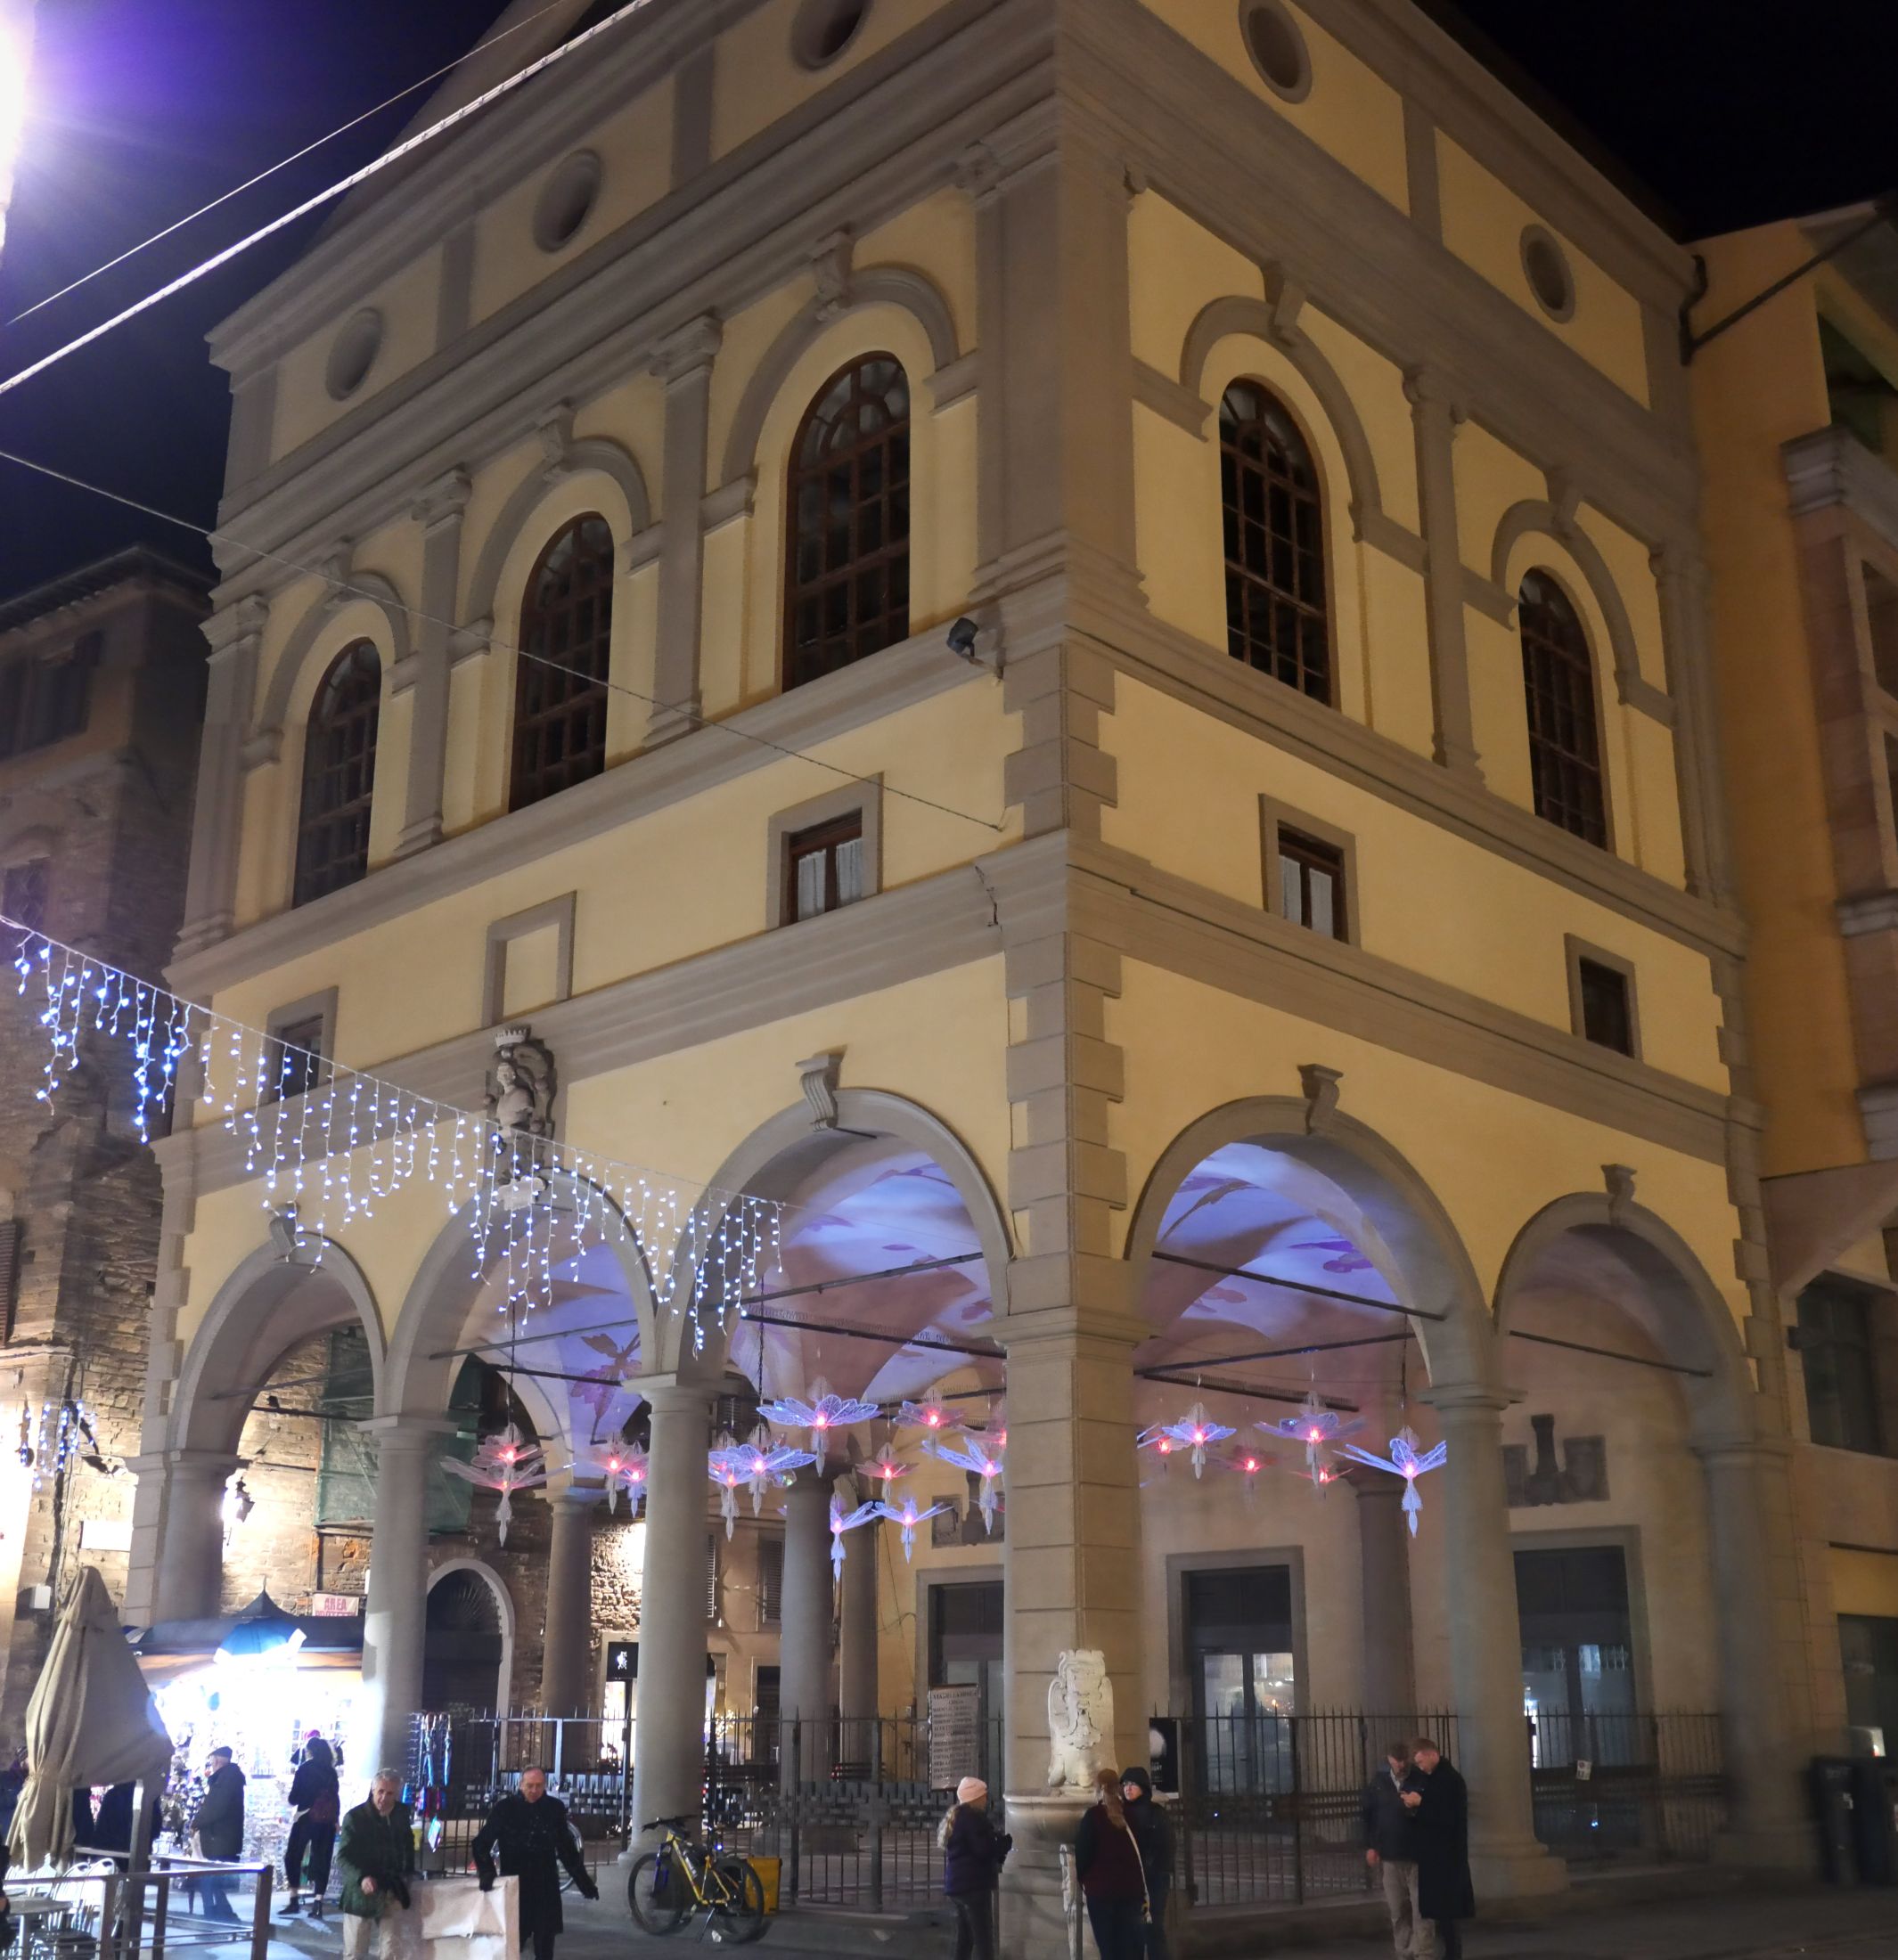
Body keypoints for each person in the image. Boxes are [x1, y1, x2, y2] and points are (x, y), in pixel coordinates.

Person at [471, 1767, 598, 1960]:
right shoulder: (506, 1809)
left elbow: (566, 1849)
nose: (534, 1790)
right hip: (516, 1882)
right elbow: (481, 1843)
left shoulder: (554, 1808)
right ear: (521, 1785)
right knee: (513, 1941)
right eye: (530, 1786)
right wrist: (487, 1873)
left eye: (539, 1786)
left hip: (545, 1883)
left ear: (544, 1786)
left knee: (545, 1943)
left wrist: (584, 1882)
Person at [1361, 1742, 1431, 1960]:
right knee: (1397, 1909)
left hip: (1417, 1854)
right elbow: (1369, 1815)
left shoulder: (1420, 1780)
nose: (1400, 1765)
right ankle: (1404, 1949)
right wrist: (1371, 1845)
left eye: (1403, 1760)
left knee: (1422, 1908)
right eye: (1396, 1760)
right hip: (1390, 1854)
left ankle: (1423, 1952)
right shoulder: (1379, 1783)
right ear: (1389, 1759)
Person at [337, 1771, 417, 1960]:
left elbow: (407, 1844)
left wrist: (407, 1872)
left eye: (390, 1793)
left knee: (391, 1950)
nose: (384, 1798)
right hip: (361, 1891)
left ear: (397, 1794)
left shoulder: (401, 1814)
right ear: (372, 1790)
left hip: (392, 1887)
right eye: (380, 1792)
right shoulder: (355, 1817)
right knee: (355, 1951)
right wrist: (362, 1877)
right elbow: (343, 1856)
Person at [1408, 1737, 1473, 1960]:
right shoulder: (1437, 1779)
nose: (1420, 1767)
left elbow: (1445, 1816)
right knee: (1444, 1914)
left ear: (1432, 1755)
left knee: (1448, 1914)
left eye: (1420, 1761)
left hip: (1446, 1858)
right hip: (1440, 1857)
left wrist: (1420, 1804)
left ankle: (1453, 1955)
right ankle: (1450, 1954)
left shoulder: (1448, 1780)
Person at [1074, 1767, 1147, 1960]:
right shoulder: (1131, 1815)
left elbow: (1083, 1854)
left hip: (1102, 1892)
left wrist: (1083, 1879)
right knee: (1131, 1949)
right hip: (1131, 1891)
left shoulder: (1094, 1816)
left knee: (1109, 1949)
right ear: (1119, 1788)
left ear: (1098, 1789)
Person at [939, 1775, 1011, 1960]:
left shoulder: (958, 1817)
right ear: (975, 1798)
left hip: (958, 1885)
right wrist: (1003, 1845)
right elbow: (983, 1849)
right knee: (983, 1938)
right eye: (984, 1795)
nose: (986, 1799)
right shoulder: (972, 1818)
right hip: (973, 1885)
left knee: (965, 1938)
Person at [283, 1735, 340, 1916]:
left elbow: (294, 1798)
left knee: (293, 1856)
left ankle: (293, 1899)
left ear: (310, 1751)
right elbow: (335, 1796)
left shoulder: (305, 1769)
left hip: (306, 1818)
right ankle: (318, 1902)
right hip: (327, 1821)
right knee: (323, 1859)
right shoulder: (331, 1772)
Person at [1118, 1768, 1172, 1960]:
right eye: (1125, 1785)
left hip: (1154, 1879)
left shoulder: (1155, 1813)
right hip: (1130, 1881)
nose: (1128, 1789)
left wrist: (1150, 1869)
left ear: (1143, 1787)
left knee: (1153, 1929)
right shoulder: (1121, 1813)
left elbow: (1165, 1846)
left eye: (1132, 1784)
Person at [192, 1748, 246, 1924]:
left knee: (208, 1879)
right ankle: (224, 1913)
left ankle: (211, 1917)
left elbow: (215, 1808)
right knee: (213, 1880)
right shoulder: (230, 1777)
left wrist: (196, 1822)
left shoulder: (225, 1779)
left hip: (218, 1838)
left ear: (216, 1761)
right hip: (222, 1838)